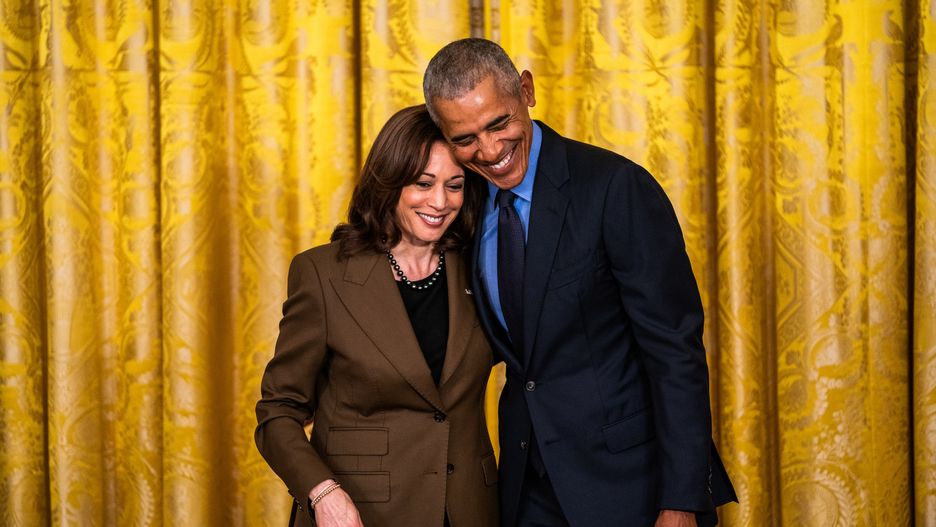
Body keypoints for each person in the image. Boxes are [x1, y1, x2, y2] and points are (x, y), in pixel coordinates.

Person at [423, 38, 738, 527]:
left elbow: (675, 353)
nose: (489, 150)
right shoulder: (463, 205)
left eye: (499, 123)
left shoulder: (615, 188)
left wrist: (681, 501)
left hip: (632, 487)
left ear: (526, 91)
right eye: (465, 139)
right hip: (527, 491)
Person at [254, 104, 498, 527]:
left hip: (469, 511)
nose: (440, 202)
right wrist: (322, 493)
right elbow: (278, 411)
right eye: (423, 183)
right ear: (390, 181)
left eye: (454, 185)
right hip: (358, 512)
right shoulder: (323, 274)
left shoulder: (485, 265)